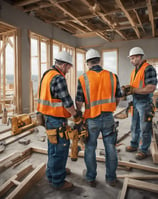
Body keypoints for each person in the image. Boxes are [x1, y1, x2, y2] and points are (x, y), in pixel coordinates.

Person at [75, 49, 122, 187]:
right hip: (108, 117)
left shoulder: (83, 78)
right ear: (99, 61)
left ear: (88, 63)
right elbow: (118, 97)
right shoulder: (113, 76)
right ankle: (111, 178)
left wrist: (79, 115)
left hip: (91, 118)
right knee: (110, 148)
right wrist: (111, 108)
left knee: (90, 148)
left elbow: (79, 102)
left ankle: (90, 178)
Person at [37, 51, 80, 191]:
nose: (68, 71)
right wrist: (76, 116)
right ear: (63, 65)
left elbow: (41, 95)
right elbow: (67, 101)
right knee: (60, 149)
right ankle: (57, 181)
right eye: (68, 68)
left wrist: (40, 113)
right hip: (57, 119)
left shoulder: (47, 74)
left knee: (53, 148)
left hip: (48, 118)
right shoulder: (58, 78)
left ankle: (52, 172)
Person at [124, 47, 157, 160]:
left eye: (133, 58)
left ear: (139, 57)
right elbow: (134, 86)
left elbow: (151, 88)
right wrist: (129, 91)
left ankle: (143, 150)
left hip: (145, 103)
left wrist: (134, 90)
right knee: (134, 126)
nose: (131, 61)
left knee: (145, 127)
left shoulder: (149, 69)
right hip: (135, 101)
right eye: (131, 59)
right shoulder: (134, 71)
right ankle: (134, 144)